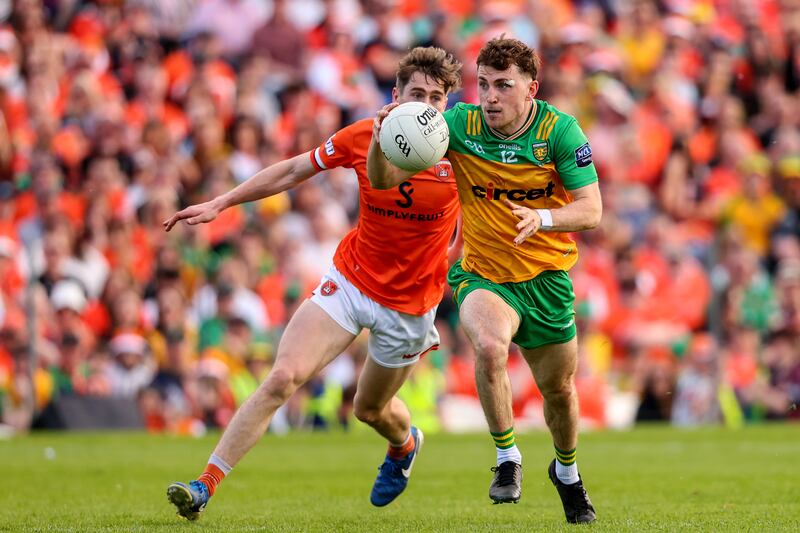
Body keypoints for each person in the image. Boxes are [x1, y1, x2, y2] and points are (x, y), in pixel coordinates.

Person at [162, 47, 462, 520]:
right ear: (395, 94)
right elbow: (294, 169)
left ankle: (404, 446)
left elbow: (486, 210)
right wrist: (222, 202)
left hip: (409, 304)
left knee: (369, 410)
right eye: (416, 93)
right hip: (352, 279)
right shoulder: (365, 135)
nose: (425, 104)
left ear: (448, 103)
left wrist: (460, 261)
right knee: (282, 377)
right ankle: (204, 485)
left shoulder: (462, 149)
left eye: (436, 97)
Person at [368, 37, 601, 524]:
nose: (489, 96)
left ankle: (566, 471)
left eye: (503, 85)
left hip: (547, 278)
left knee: (558, 389)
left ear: (530, 89)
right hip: (483, 274)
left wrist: (544, 218)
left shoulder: (561, 131)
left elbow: (591, 209)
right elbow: (388, 180)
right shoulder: (458, 125)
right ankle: (506, 457)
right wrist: (384, 139)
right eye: (483, 84)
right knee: (491, 347)